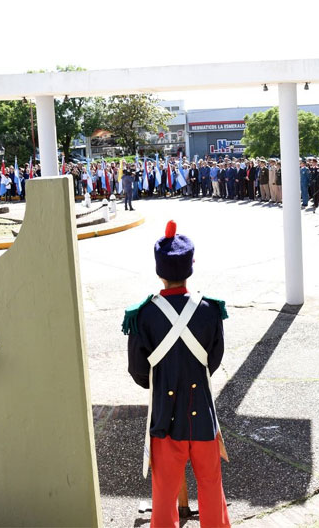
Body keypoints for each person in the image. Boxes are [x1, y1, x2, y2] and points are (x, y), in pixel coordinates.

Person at [125, 221, 231, 528]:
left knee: (163, 495)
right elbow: (213, 360)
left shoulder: (143, 314)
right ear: (190, 267)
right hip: (203, 418)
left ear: (159, 270)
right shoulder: (210, 309)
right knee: (211, 488)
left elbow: (138, 371)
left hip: (165, 418)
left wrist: (162, 382)